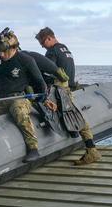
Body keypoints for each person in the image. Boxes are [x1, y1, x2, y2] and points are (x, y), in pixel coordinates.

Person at [35, 27, 101, 165]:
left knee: (75, 117)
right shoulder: (65, 49)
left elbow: (48, 70)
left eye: (42, 42)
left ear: (49, 38)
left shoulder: (52, 51)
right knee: (71, 115)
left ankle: (91, 150)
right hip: (68, 86)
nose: (42, 46)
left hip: (59, 90)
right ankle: (77, 136)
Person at [0, 29, 47, 154]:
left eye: (4, 51)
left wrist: (41, 100)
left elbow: (40, 83)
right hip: (1, 99)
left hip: (20, 98)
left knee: (19, 111)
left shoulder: (25, 60)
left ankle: (33, 148)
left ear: (13, 48)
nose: (1, 55)